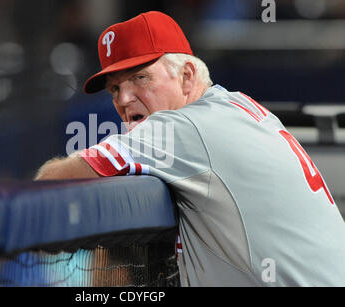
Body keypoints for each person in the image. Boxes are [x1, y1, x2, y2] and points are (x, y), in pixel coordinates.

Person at [35, 11, 345, 286]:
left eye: (139, 78)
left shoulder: (182, 127)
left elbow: (51, 183)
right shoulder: (237, 104)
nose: (123, 99)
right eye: (115, 88)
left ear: (186, 76)